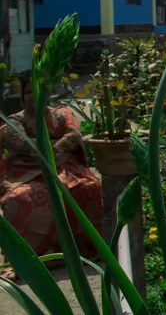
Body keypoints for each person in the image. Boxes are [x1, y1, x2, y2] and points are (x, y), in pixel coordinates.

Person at [0, 74, 102, 278]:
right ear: (22, 96)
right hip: (26, 171)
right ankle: (23, 258)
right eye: (28, 92)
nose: (32, 97)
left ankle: (81, 250)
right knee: (17, 198)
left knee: (88, 186)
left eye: (36, 92)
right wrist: (45, 150)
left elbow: (73, 135)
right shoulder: (14, 121)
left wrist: (53, 151)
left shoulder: (61, 114)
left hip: (63, 167)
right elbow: (22, 143)